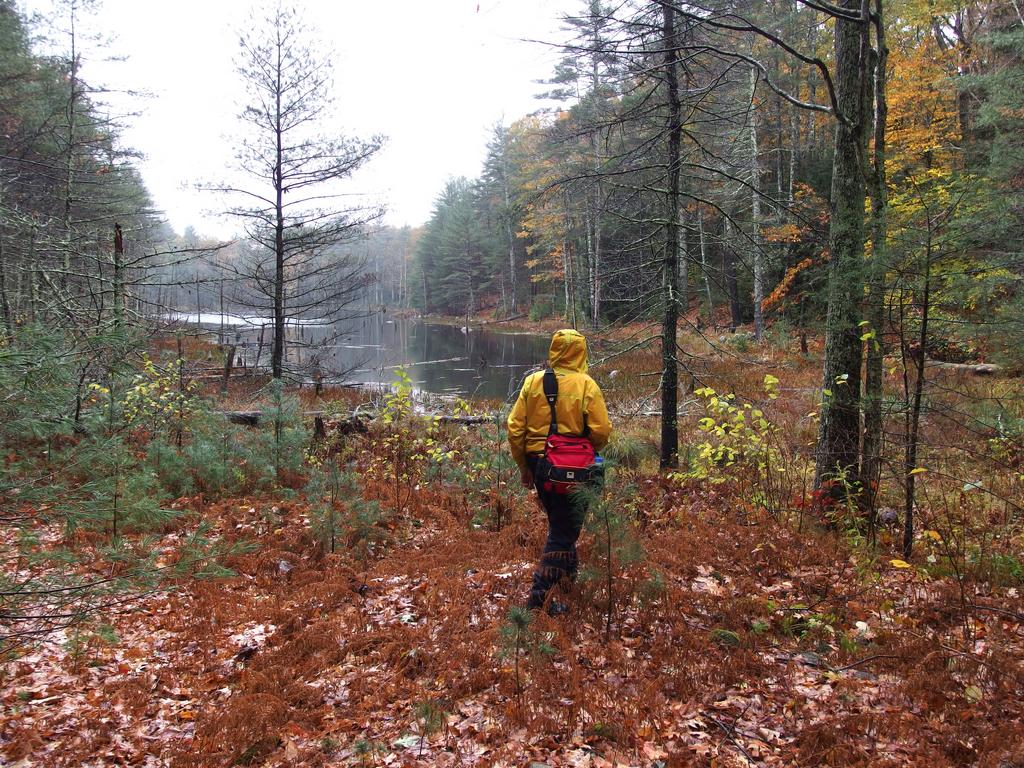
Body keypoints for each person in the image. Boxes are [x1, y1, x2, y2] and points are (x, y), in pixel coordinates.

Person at [507, 329, 612, 612]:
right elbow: (601, 431)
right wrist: (584, 451)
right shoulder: (587, 385)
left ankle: (567, 586)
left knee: (561, 525)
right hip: (576, 470)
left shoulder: (532, 382)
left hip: (540, 467)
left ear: (553, 351)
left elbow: (515, 428)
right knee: (563, 532)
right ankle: (538, 601)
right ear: (581, 352)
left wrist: (524, 466)